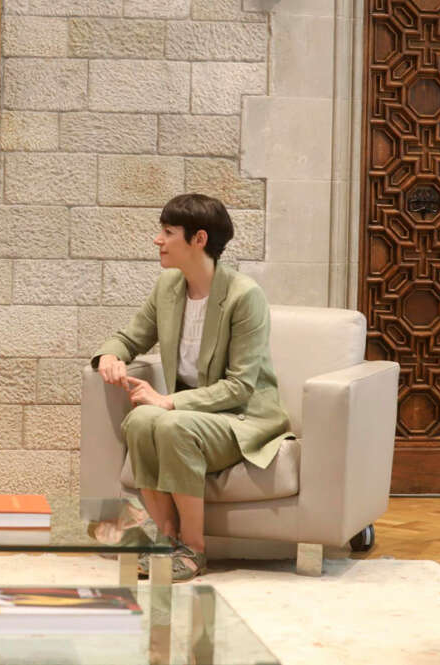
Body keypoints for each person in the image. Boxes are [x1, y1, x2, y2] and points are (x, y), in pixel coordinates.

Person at [92, 193, 291, 581]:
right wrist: (110, 357)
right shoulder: (168, 287)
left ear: (199, 240)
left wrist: (168, 401)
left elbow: (240, 386)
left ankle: (195, 549)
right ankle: (166, 542)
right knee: (138, 422)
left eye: (168, 232)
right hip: (189, 414)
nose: (158, 240)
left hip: (240, 418)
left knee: (166, 422)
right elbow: (129, 337)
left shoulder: (243, 296)